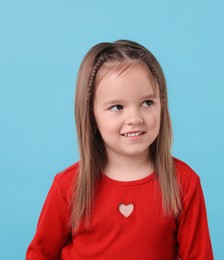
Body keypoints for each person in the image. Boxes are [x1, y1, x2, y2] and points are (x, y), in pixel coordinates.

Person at [26, 40, 213, 259]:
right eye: (117, 107)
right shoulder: (67, 186)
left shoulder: (185, 182)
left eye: (147, 103)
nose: (134, 119)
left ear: (162, 104)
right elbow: (39, 254)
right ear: (91, 115)